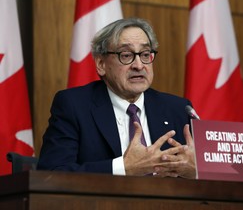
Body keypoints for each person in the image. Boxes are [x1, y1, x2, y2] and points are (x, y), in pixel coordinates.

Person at [37, 18, 196, 179]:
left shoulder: (178, 109)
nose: (139, 65)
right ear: (101, 64)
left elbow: (208, 174)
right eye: (126, 55)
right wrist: (124, 168)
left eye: (145, 54)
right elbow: (51, 174)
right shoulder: (73, 105)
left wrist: (195, 171)